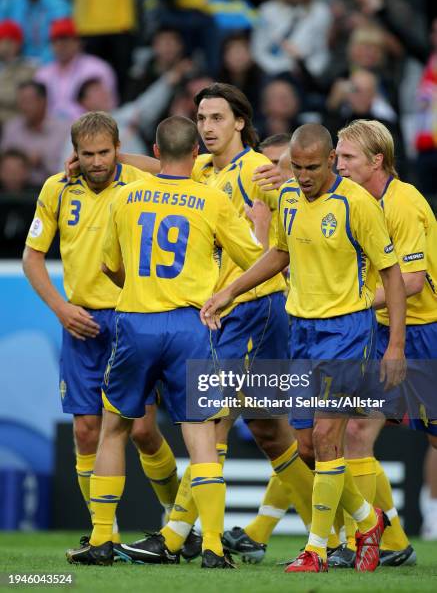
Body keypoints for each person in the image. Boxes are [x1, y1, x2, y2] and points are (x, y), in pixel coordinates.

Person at [113, 83, 315, 566]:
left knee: (211, 419)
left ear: (240, 122)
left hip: (255, 308)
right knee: (269, 431)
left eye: (218, 118)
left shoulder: (256, 172)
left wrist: (281, 194)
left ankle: (175, 535)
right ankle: (342, 531)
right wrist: (108, 156)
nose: (207, 127)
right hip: (225, 312)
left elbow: (295, 213)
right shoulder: (203, 168)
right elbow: (159, 166)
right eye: (201, 118)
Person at [201, 123, 407, 573]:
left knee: (329, 436)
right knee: (308, 444)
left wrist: (395, 344)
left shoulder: (358, 205)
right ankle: (369, 522)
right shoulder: (290, 198)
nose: (305, 175)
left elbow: (392, 274)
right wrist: (230, 291)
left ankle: (316, 550)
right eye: (297, 167)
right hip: (302, 330)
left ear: (332, 160)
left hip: (348, 330)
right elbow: (278, 252)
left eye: (313, 167)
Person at [65, 115, 267, 568]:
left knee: (115, 428)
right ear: (196, 155)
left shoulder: (126, 197)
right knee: (200, 435)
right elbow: (255, 260)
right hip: (191, 327)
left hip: (136, 323)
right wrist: (223, 294)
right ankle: (213, 546)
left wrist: (139, 282)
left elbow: (110, 268)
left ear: (155, 153)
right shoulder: (212, 199)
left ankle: (101, 539)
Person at [23, 111, 179, 548]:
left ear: (117, 149)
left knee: (145, 431)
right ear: (74, 154)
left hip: (132, 319)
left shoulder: (136, 182)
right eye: (87, 154)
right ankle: (102, 535)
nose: (95, 162)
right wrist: (60, 308)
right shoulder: (56, 189)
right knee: (86, 430)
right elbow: (32, 257)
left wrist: (124, 158)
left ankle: (178, 523)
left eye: (104, 152)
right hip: (81, 321)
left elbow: (180, 168)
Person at [331, 118, 437, 567]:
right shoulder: (352, 201)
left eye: (348, 157)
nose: (339, 164)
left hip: (424, 331)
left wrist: (347, 299)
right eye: (337, 155)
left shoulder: (404, 202)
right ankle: (389, 541)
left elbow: (411, 280)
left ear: (377, 160)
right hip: (378, 330)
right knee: (354, 430)